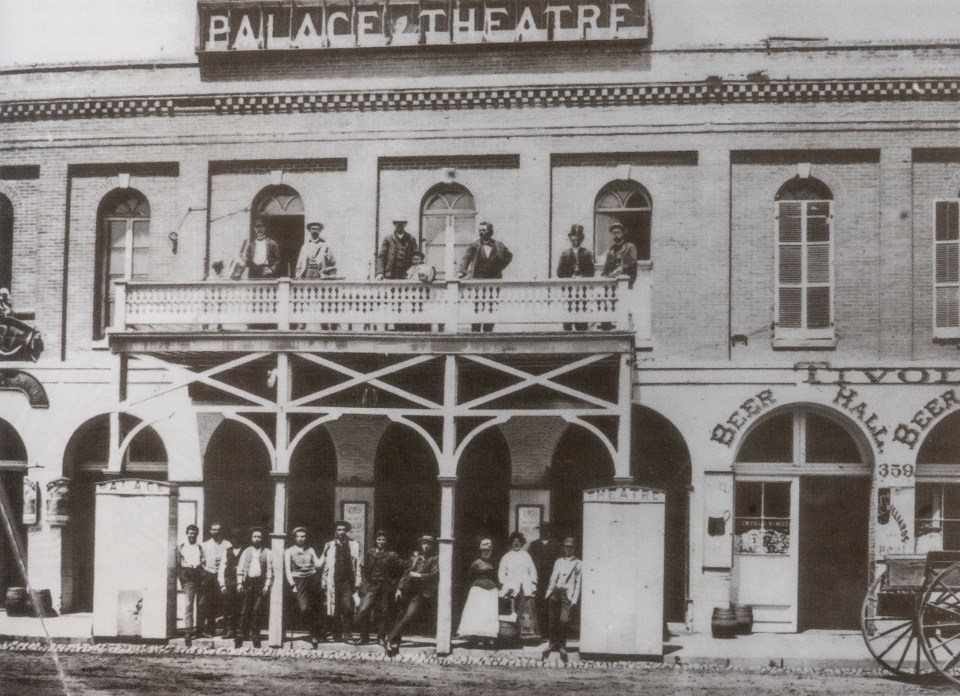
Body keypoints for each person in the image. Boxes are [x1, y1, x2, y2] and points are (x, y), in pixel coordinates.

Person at [384, 534, 439, 657]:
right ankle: (395, 642)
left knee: (408, 616)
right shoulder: (416, 557)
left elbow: (434, 575)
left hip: (419, 592)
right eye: (424, 543)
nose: (425, 546)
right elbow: (406, 573)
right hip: (407, 590)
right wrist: (399, 588)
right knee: (400, 616)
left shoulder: (434, 559)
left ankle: (388, 639)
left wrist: (418, 576)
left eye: (428, 543)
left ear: (432, 545)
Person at [457, 221, 513, 332]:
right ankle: (476, 331)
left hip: (494, 279)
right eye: (480, 230)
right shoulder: (475, 245)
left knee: (492, 305)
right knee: (478, 305)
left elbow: (509, 256)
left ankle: (488, 331)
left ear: (490, 231)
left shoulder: (498, 245)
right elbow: (466, 258)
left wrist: (500, 267)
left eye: (484, 230)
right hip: (478, 279)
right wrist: (462, 271)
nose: (481, 232)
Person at [354, 529, 402, 646]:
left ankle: (380, 637)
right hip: (371, 587)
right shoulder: (369, 554)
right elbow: (363, 570)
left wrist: (393, 583)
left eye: (383, 540)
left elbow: (400, 568)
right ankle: (364, 637)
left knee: (383, 612)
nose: (381, 542)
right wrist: (365, 585)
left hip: (385, 587)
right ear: (376, 541)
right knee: (364, 610)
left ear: (386, 542)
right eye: (379, 539)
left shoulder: (391, 555)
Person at [319, 521, 362, 643]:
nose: (341, 532)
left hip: (347, 582)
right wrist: (324, 580)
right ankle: (336, 634)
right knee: (333, 608)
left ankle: (348, 635)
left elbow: (357, 564)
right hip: (333, 581)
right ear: (336, 531)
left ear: (346, 531)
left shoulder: (354, 545)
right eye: (339, 529)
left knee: (348, 607)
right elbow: (326, 565)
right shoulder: (330, 545)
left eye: (343, 529)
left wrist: (358, 580)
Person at [542, 536, 582, 663]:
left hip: (567, 594)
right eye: (566, 547)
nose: (568, 549)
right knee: (553, 620)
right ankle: (552, 644)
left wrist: (574, 599)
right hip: (556, 592)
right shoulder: (558, 561)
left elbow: (578, 583)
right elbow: (553, 578)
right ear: (563, 547)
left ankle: (563, 646)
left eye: (570, 547)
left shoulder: (578, 563)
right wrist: (548, 592)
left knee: (564, 620)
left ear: (574, 548)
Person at [284, 526, 323, 648]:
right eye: (299, 536)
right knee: (305, 608)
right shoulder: (289, 551)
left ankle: (315, 635)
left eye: (303, 536)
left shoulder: (310, 550)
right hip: (298, 580)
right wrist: (292, 585)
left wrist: (325, 553)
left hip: (312, 579)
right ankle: (315, 631)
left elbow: (317, 566)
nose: (301, 539)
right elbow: (287, 570)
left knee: (316, 606)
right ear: (294, 538)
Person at [456, 538, 500, 647]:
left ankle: (488, 636)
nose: (486, 552)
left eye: (488, 551)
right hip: (478, 591)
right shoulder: (476, 563)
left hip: (491, 591)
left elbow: (497, 577)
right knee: (478, 614)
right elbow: (469, 576)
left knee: (488, 613)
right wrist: (476, 586)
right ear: (481, 551)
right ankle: (476, 636)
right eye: (484, 550)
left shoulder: (493, 563)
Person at [235, 527, 273, 648]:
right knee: (245, 609)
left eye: (259, 537)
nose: (256, 539)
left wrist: (267, 584)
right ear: (251, 538)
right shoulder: (246, 551)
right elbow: (240, 568)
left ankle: (255, 634)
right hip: (248, 583)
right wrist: (240, 582)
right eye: (254, 536)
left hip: (260, 584)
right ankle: (240, 634)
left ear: (262, 538)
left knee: (257, 610)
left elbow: (270, 570)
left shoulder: (267, 552)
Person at [498, 532, 539, 640]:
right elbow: (501, 574)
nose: (516, 544)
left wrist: (532, 584)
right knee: (512, 612)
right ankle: (512, 635)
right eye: (514, 542)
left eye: (518, 542)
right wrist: (506, 585)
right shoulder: (506, 557)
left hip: (525, 587)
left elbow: (533, 571)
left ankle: (526, 635)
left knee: (526, 611)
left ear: (522, 543)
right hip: (511, 588)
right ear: (511, 543)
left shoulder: (526, 555)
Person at [556, 224, 596, 330]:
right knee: (568, 315)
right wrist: (570, 276)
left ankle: (582, 336)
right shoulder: (565, 254)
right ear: (570, 238)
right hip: (568, 289)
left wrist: (582, 276)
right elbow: (559, 272)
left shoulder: (587, 253)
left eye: (578, 238)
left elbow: (591, 272)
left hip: (581, 289)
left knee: (581, 315)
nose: (575, 241)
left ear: (581, 239)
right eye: (573, 238)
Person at [526, 523, 562, 639]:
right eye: (542, 530)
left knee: (551, 605)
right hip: (538, 580)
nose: (544, 532)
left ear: (549, 531)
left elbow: (559, 562)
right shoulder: (534, 545)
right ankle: (539, 632)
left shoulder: (556, 545)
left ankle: (550, 634)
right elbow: (529, 561)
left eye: (546, 530)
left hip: (551, 580)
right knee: (539, 605)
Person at [198, 522, 232, 637]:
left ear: (221, 531)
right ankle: (209, 630)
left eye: (218, 530)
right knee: (209, 603)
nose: (216, 532)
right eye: (213, 529)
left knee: (226, 603)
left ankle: (227, 630)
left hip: (224, 577)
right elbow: (201, 562)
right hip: (210, 576)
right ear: (210, 531)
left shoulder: (227, 545)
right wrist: (207, 572)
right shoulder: (205, 545)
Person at [177, 524, 205, 646]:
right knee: (189, 605)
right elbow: (179, 563)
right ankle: (188, 632)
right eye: (190, 533)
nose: (191, 535)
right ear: (187, 533)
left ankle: (199, 630)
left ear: (197, 534)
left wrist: (199, 565)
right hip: (188, 579)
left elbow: (203, 561)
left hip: (198, 577)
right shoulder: (182, 547)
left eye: (194, 533)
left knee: (201, 604)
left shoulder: (199, 547)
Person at [218, 526, 244, 640]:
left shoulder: (245, 550)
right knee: (228, 607)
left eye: (238, 538)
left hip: (241, 582)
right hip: (229, 582)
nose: (235, 540)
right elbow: (222, 568)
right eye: (233, 538)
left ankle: (239, 631)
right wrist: (222, 584)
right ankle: (229, 631)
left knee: (240, 606)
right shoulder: (227, 551)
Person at [601, 222, 638, 287]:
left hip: (626, 279)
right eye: (614, 233)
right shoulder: (611, 251)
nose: (616, 234)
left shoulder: (630, 247)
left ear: (623, 233)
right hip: (612, 281)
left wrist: (621, 269)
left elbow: (633, 261)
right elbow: (606, 268)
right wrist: (602, 277)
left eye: (618, 232)